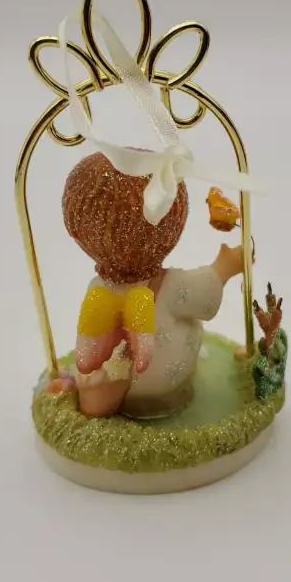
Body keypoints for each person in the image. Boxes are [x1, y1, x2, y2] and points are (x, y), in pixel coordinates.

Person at [56, 152, 246, 418]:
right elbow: (206, 296)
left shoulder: (97, 288)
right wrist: (224, 267)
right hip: (165, 389)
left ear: (75, 229)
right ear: (170, 224)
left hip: (112, 378)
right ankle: (163, 405)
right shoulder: (170, 286)